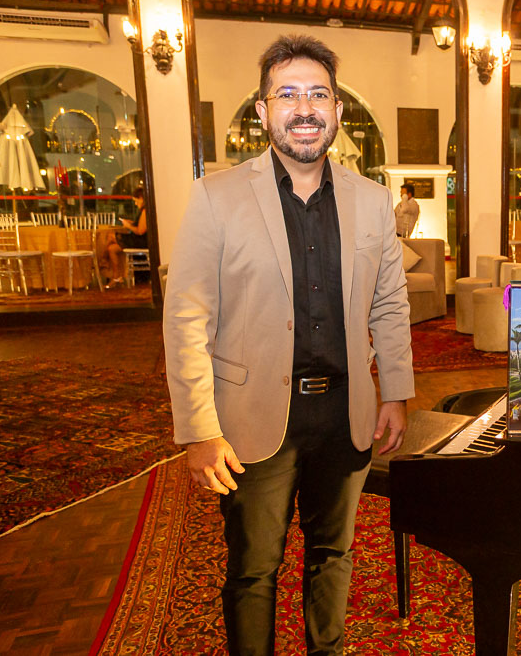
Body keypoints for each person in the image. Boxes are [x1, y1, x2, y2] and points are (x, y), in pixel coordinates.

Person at [163, 34, 414, 656]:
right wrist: (198, 429)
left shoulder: (372, 201)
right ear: (263, 110)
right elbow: (187, 317)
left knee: (334, 553)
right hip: (251, 417)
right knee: (253, 569)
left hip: (346, 413)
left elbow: (389, 304)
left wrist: (396, 393)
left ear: (337, 109)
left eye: (319, 95)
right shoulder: (216, 197)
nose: (305, 108)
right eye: (288, 94)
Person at [105, 185, 148, 287]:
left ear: (141, 198)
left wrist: (128, 226)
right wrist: (131, 223)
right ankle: (116, 277)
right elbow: (140, 225)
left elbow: (140, 231)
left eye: (136, 200)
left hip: (141, 241)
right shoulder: (142, 211)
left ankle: (102, 263)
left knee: (110, 236)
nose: (135, 203)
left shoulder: (145, 211)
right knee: (111, 249)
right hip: (137, 239)